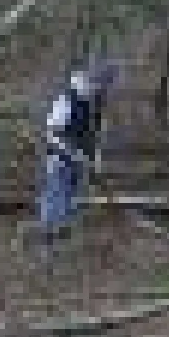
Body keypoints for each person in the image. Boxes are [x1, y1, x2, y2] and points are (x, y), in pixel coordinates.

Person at [38, 60, 118, 244]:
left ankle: (64, 232)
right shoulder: (68, 99)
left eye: (106, 86)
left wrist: (95, 159)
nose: (103, 90)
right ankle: (48, 235)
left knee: (72, 196)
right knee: (56, 193)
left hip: (81, 160)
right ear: (92, 80)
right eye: (101, 84)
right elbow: (51, 132)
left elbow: (96, 135)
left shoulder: (96, 103)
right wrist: (70, 153)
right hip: (60, 157)